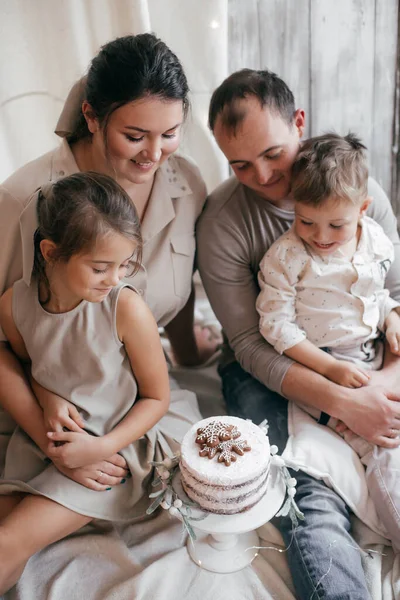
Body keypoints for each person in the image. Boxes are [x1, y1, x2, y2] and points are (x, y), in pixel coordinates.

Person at [197, 68, 400, 599]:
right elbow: (250, 343)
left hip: (369, 351)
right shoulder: (223, 222)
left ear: (300, 124)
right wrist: (342, 399)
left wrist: (384, 384)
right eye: (239, 164)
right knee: (305, 490)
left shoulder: (358, 189)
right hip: (270, 370)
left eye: (272, 153)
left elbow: (394, 293)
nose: (261, 175)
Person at [0, 33, 215, 491]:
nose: (154, 155)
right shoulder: (25, 199)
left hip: (137, 400)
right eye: (134, 136)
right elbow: (4, 340)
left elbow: (177, 286)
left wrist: (190, 353)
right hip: (47, 411)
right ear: (91, 117)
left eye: (170, 134)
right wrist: (54, 442)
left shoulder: (187, 183)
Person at [0, 172, 173, 594]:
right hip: (44, 441)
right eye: (100, 267)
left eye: (124, 265)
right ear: (50, 252)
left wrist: (97, 447)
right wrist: (45, 399)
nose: (114, 278)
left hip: (113, 456)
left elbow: (157, 397)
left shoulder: (126, 309)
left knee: (7, 541)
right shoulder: (15, 306)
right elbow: (29, 365)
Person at [257, 132, 400, 550]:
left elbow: (380, 292)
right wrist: (331, 370)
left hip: (374, 350)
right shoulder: (287, 257)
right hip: (325, 363)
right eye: (306, 221)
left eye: (337, 224)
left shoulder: (374, 238)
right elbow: (275, 326)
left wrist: (392, 317)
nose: (320, 236)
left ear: (362, 210)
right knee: (383, 446)